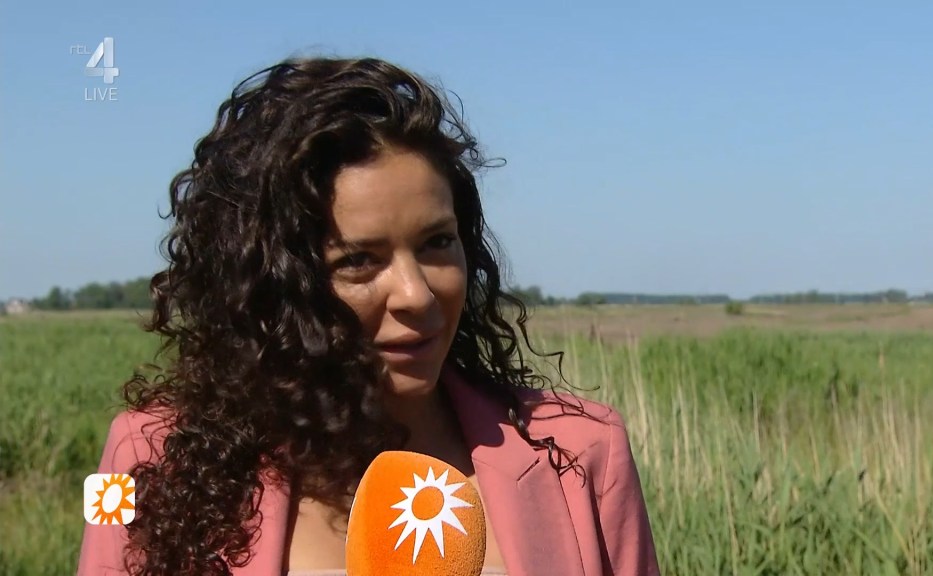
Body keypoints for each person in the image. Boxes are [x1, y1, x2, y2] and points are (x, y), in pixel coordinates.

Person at [77, 56, 659, 576]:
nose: (416, 295)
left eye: (436, 243)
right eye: (358, 260)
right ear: (271, 285)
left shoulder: (586, 451)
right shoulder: (132, 459)